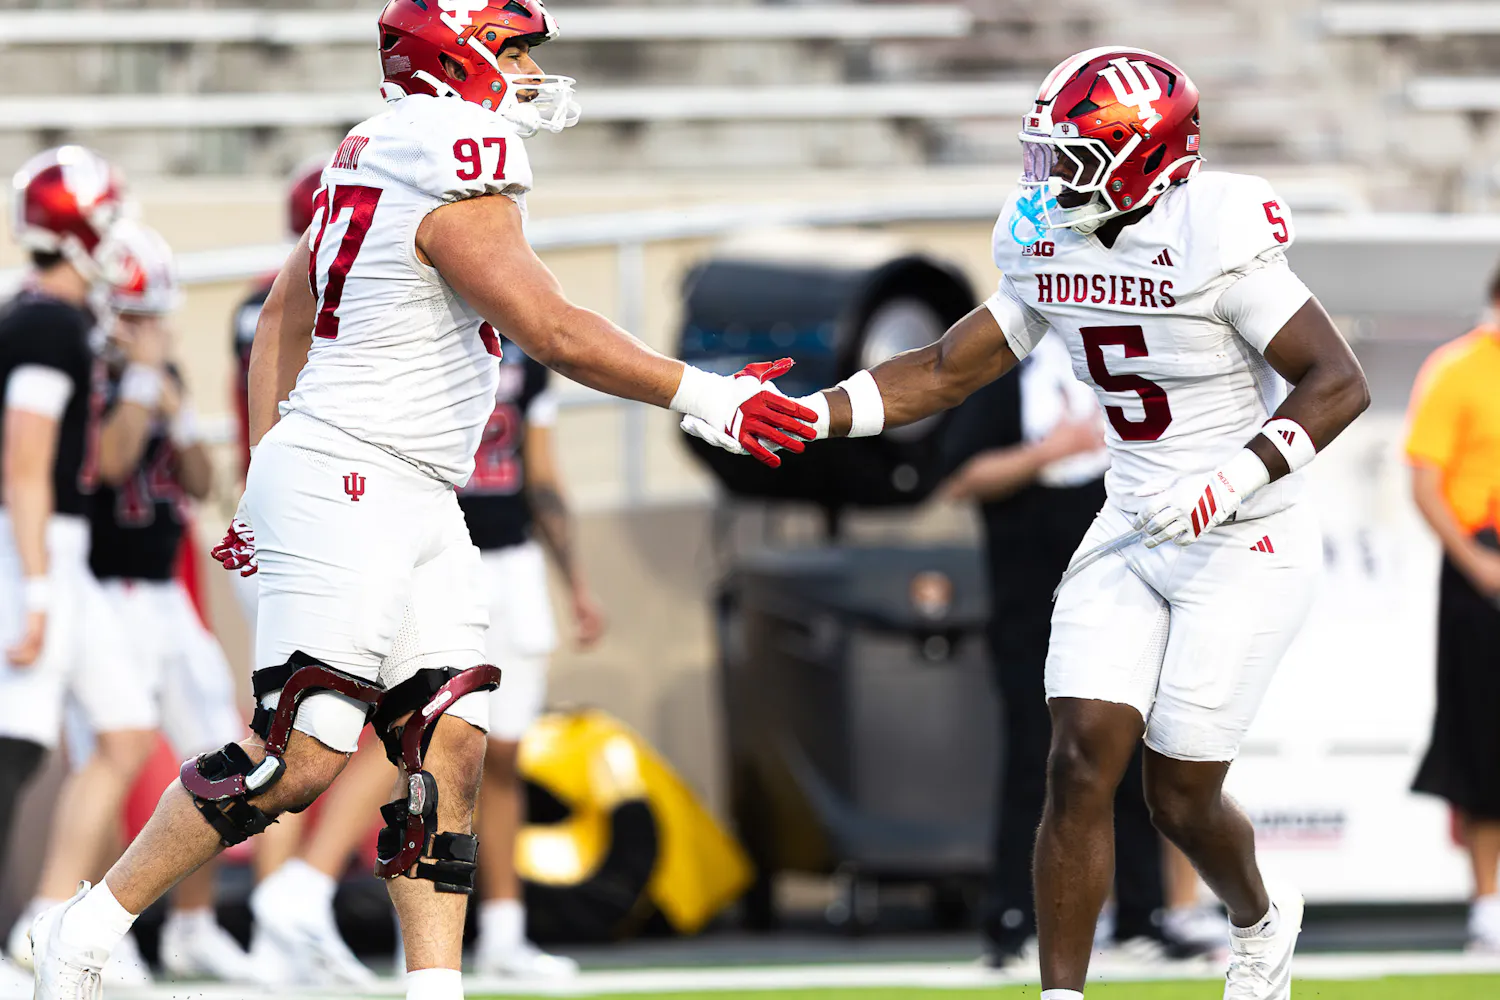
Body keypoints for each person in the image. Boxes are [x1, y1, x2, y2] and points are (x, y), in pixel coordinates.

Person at [29, 3, 814, 998]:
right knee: (300, 756)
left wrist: (268, 466)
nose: (528, 70)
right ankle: (85, 930)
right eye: (513, 48)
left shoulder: (379, 145)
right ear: (457, 59)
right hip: (355, 470)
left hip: (406, 484)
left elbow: (285, 310)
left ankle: (433, 987)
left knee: (451, 736)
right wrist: (709, 394)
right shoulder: (456, 148)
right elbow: (551, 327)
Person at [731, 46, 1371, 1000]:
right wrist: (818, 413)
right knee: (1075, 758)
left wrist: (1233, 478)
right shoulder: (1046, 237)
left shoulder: (1218, 231)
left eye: (1071, 158)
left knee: (1178, 795)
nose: (1047, 179)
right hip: (1132, 521)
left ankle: (1262, 919)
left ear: (1146, 159)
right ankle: (1060, 995)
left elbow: (1338, 382)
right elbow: (950, 367)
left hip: (1246, 533)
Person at [252, 334, 605, 983]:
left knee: (497, 755)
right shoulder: (412, 324)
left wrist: (575, 581)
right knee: (406, 738)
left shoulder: (526, 341)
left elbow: (542, 473)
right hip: (430, 554)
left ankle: (502, 927)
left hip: (511, 559)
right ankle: (305, 887)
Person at [939, 336, 1169, 966]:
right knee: (1034, 758)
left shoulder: (1124, 366)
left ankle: (1142, 917)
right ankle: (1012, 922)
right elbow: (961, 477)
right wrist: (1054, 450)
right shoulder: (1001, 377)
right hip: (1027, 607)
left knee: (1129, 746)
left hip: (1123, 597)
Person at [0, 148, 158, 990]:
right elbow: (23, 461)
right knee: (14, 746)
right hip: (32, 543)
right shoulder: (43, 323)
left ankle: (44, 922)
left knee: (126, 732)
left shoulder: (61, 321)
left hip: (56, 547)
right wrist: (32, 585)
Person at [1405, 277, 1500, 953]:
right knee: (1483, 736)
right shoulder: (1458, 368)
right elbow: (1425, 483)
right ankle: (1488, 905)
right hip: (1483, 564)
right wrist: (1481, 567)